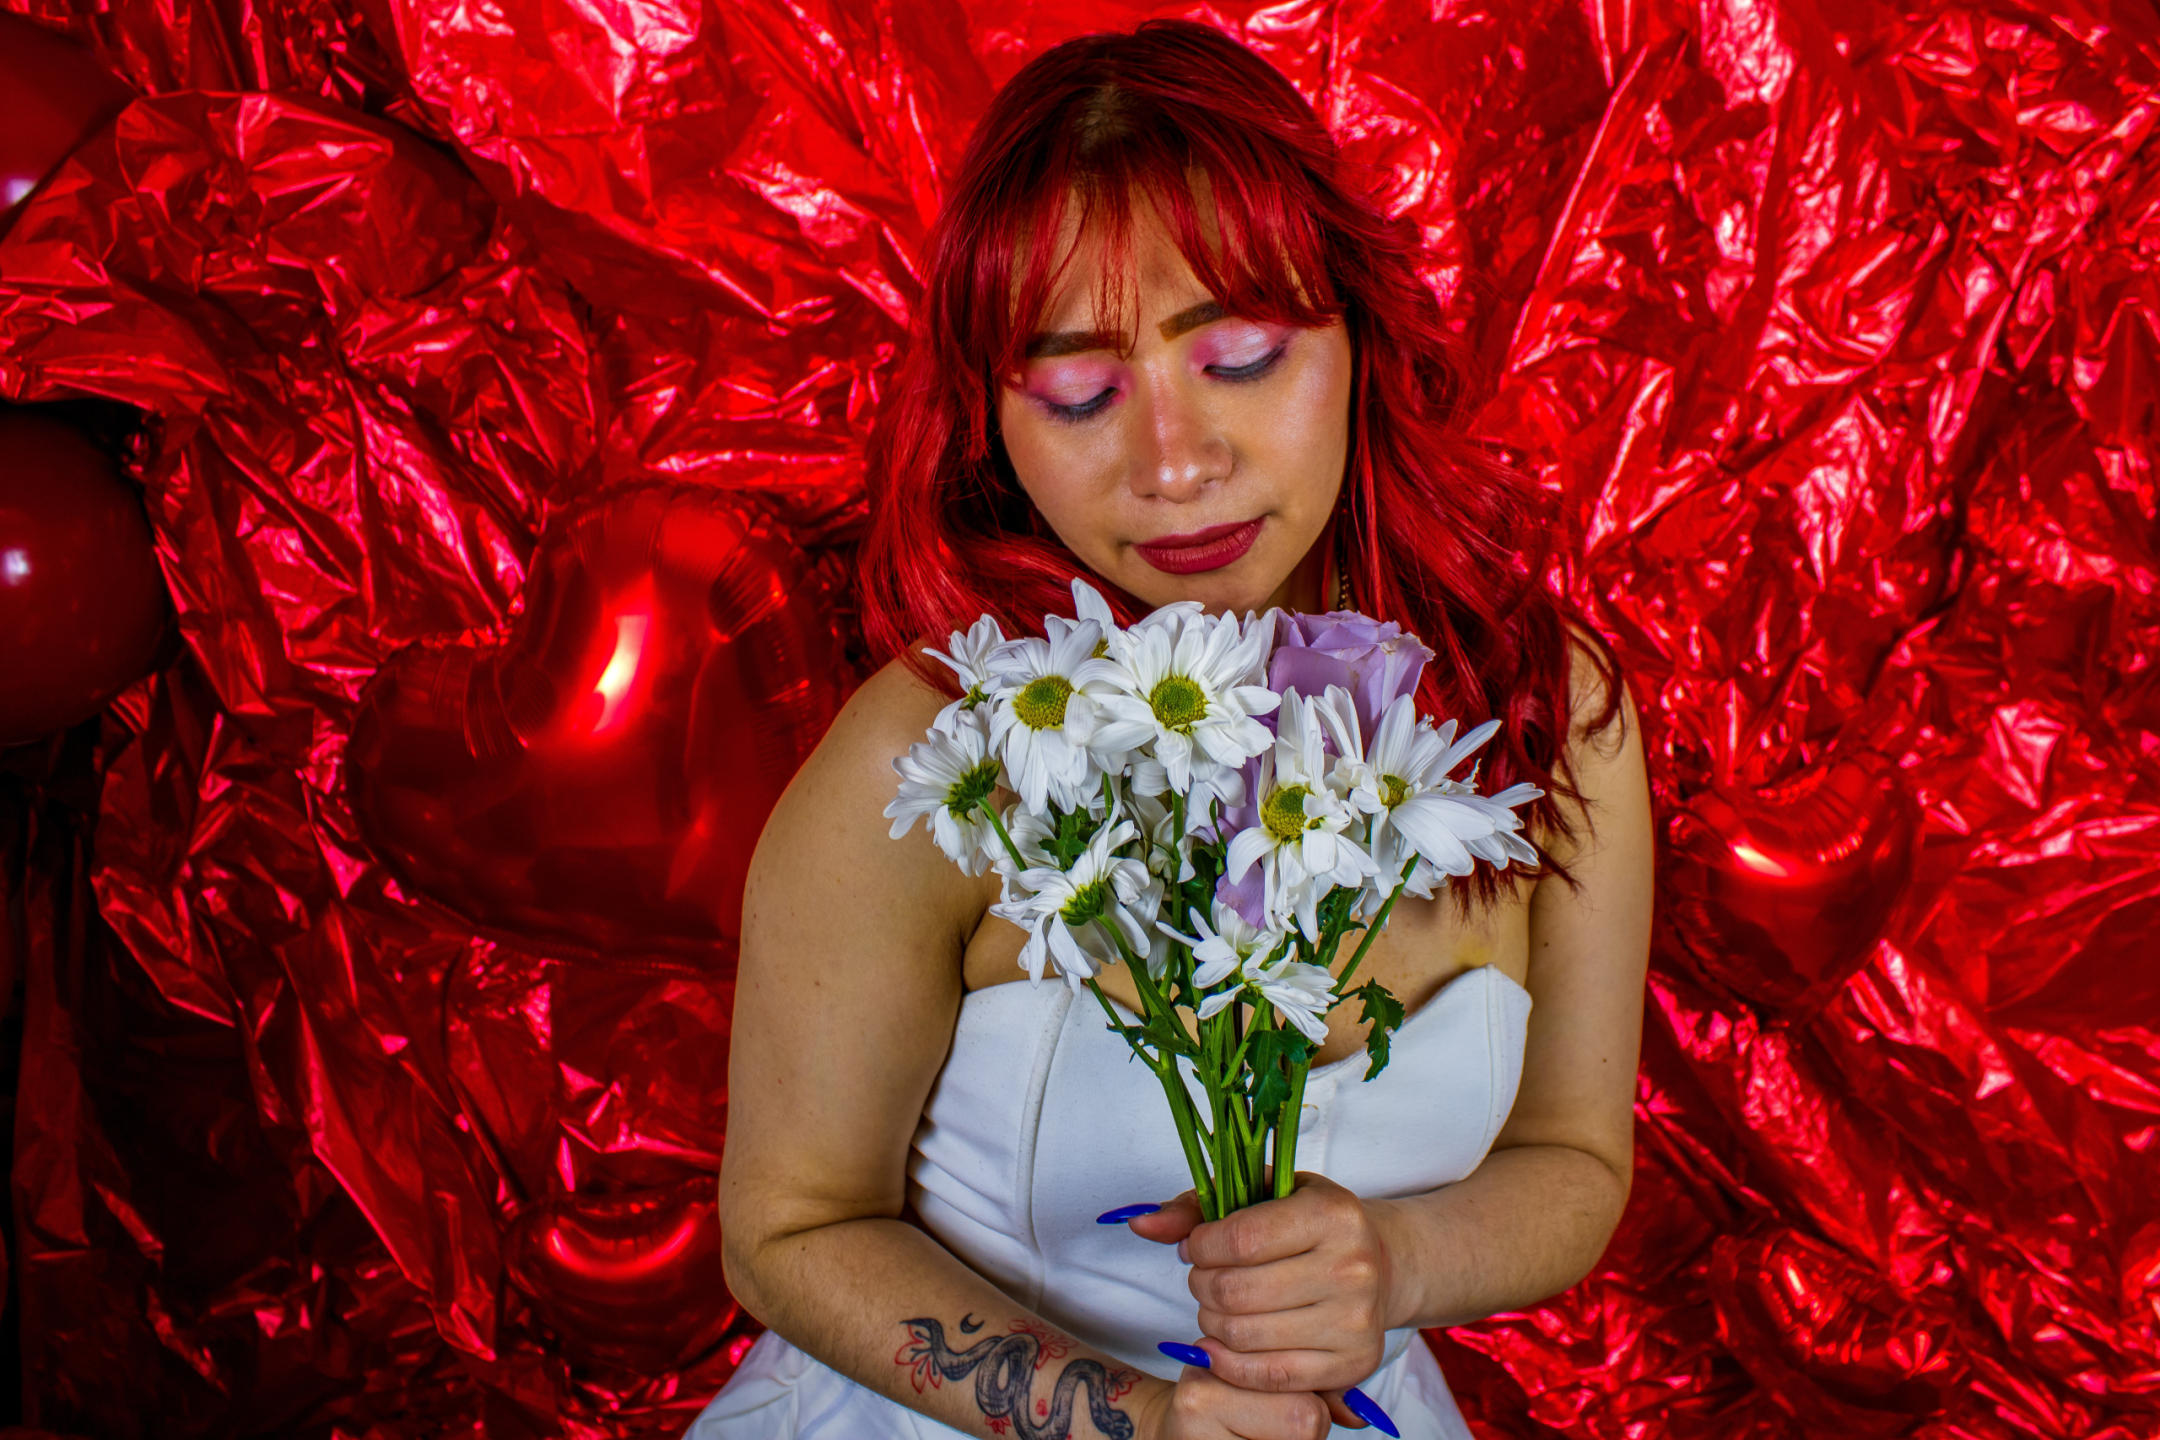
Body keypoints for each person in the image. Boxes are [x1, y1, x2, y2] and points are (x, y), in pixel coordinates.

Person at [687, 18, 1652, 1440]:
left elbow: (1576, 1159)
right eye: (1081, 391)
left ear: (1359, 335)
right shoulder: (941, 756)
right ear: (990, 418)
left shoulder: (1546, 709)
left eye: (1243, 357)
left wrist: (1392, 1264)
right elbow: (788, 1229)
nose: (1175, 464)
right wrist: (1132, 1422)